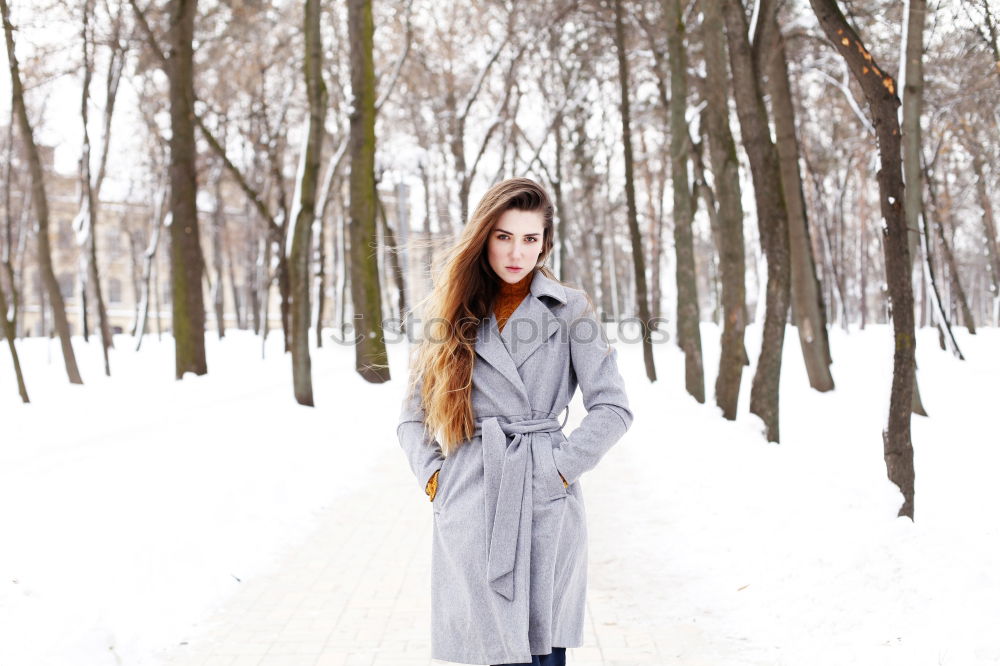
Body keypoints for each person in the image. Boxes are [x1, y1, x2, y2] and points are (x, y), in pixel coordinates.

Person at [397, 177, 634, 666]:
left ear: (546, 244)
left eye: (530, 238)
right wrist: (436, 481)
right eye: (504, 236)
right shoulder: (450, 312)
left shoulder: (571, 310)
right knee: (483, 649)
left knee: (540, 649)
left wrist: (557, 469)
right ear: (484, 236)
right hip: (471, 500)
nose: (516, 251)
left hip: (543, 500)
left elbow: (613, 407)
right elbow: (411, 418)